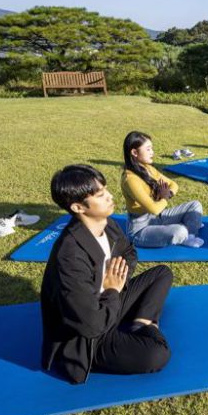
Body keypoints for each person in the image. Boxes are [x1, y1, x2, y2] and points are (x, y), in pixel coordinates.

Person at [41, 164, 172, 384]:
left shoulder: (106, 223)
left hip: (110, 301)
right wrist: (111, 288)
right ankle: (148, 327)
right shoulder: (70, 256)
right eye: (101, 195)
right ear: (78, 207)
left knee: (162, 274)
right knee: (158, 354)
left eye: (106, 190)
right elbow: (91, 325)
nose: (110, 197)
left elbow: (129, 252)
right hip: (89, 338)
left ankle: (140, 322)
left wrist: (115, 279)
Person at [121, 131, 204, 248]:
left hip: (158, 217)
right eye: (148, 149)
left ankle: (190, 236)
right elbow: (154, 209)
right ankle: (186, 230)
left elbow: (173, 184)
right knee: (180, 231)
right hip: (140, 229)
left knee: (195, 205)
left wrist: (167, 194)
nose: (152, 152)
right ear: (134, 152)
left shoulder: (148, 168)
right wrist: (164, 197)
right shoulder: (130, 180)